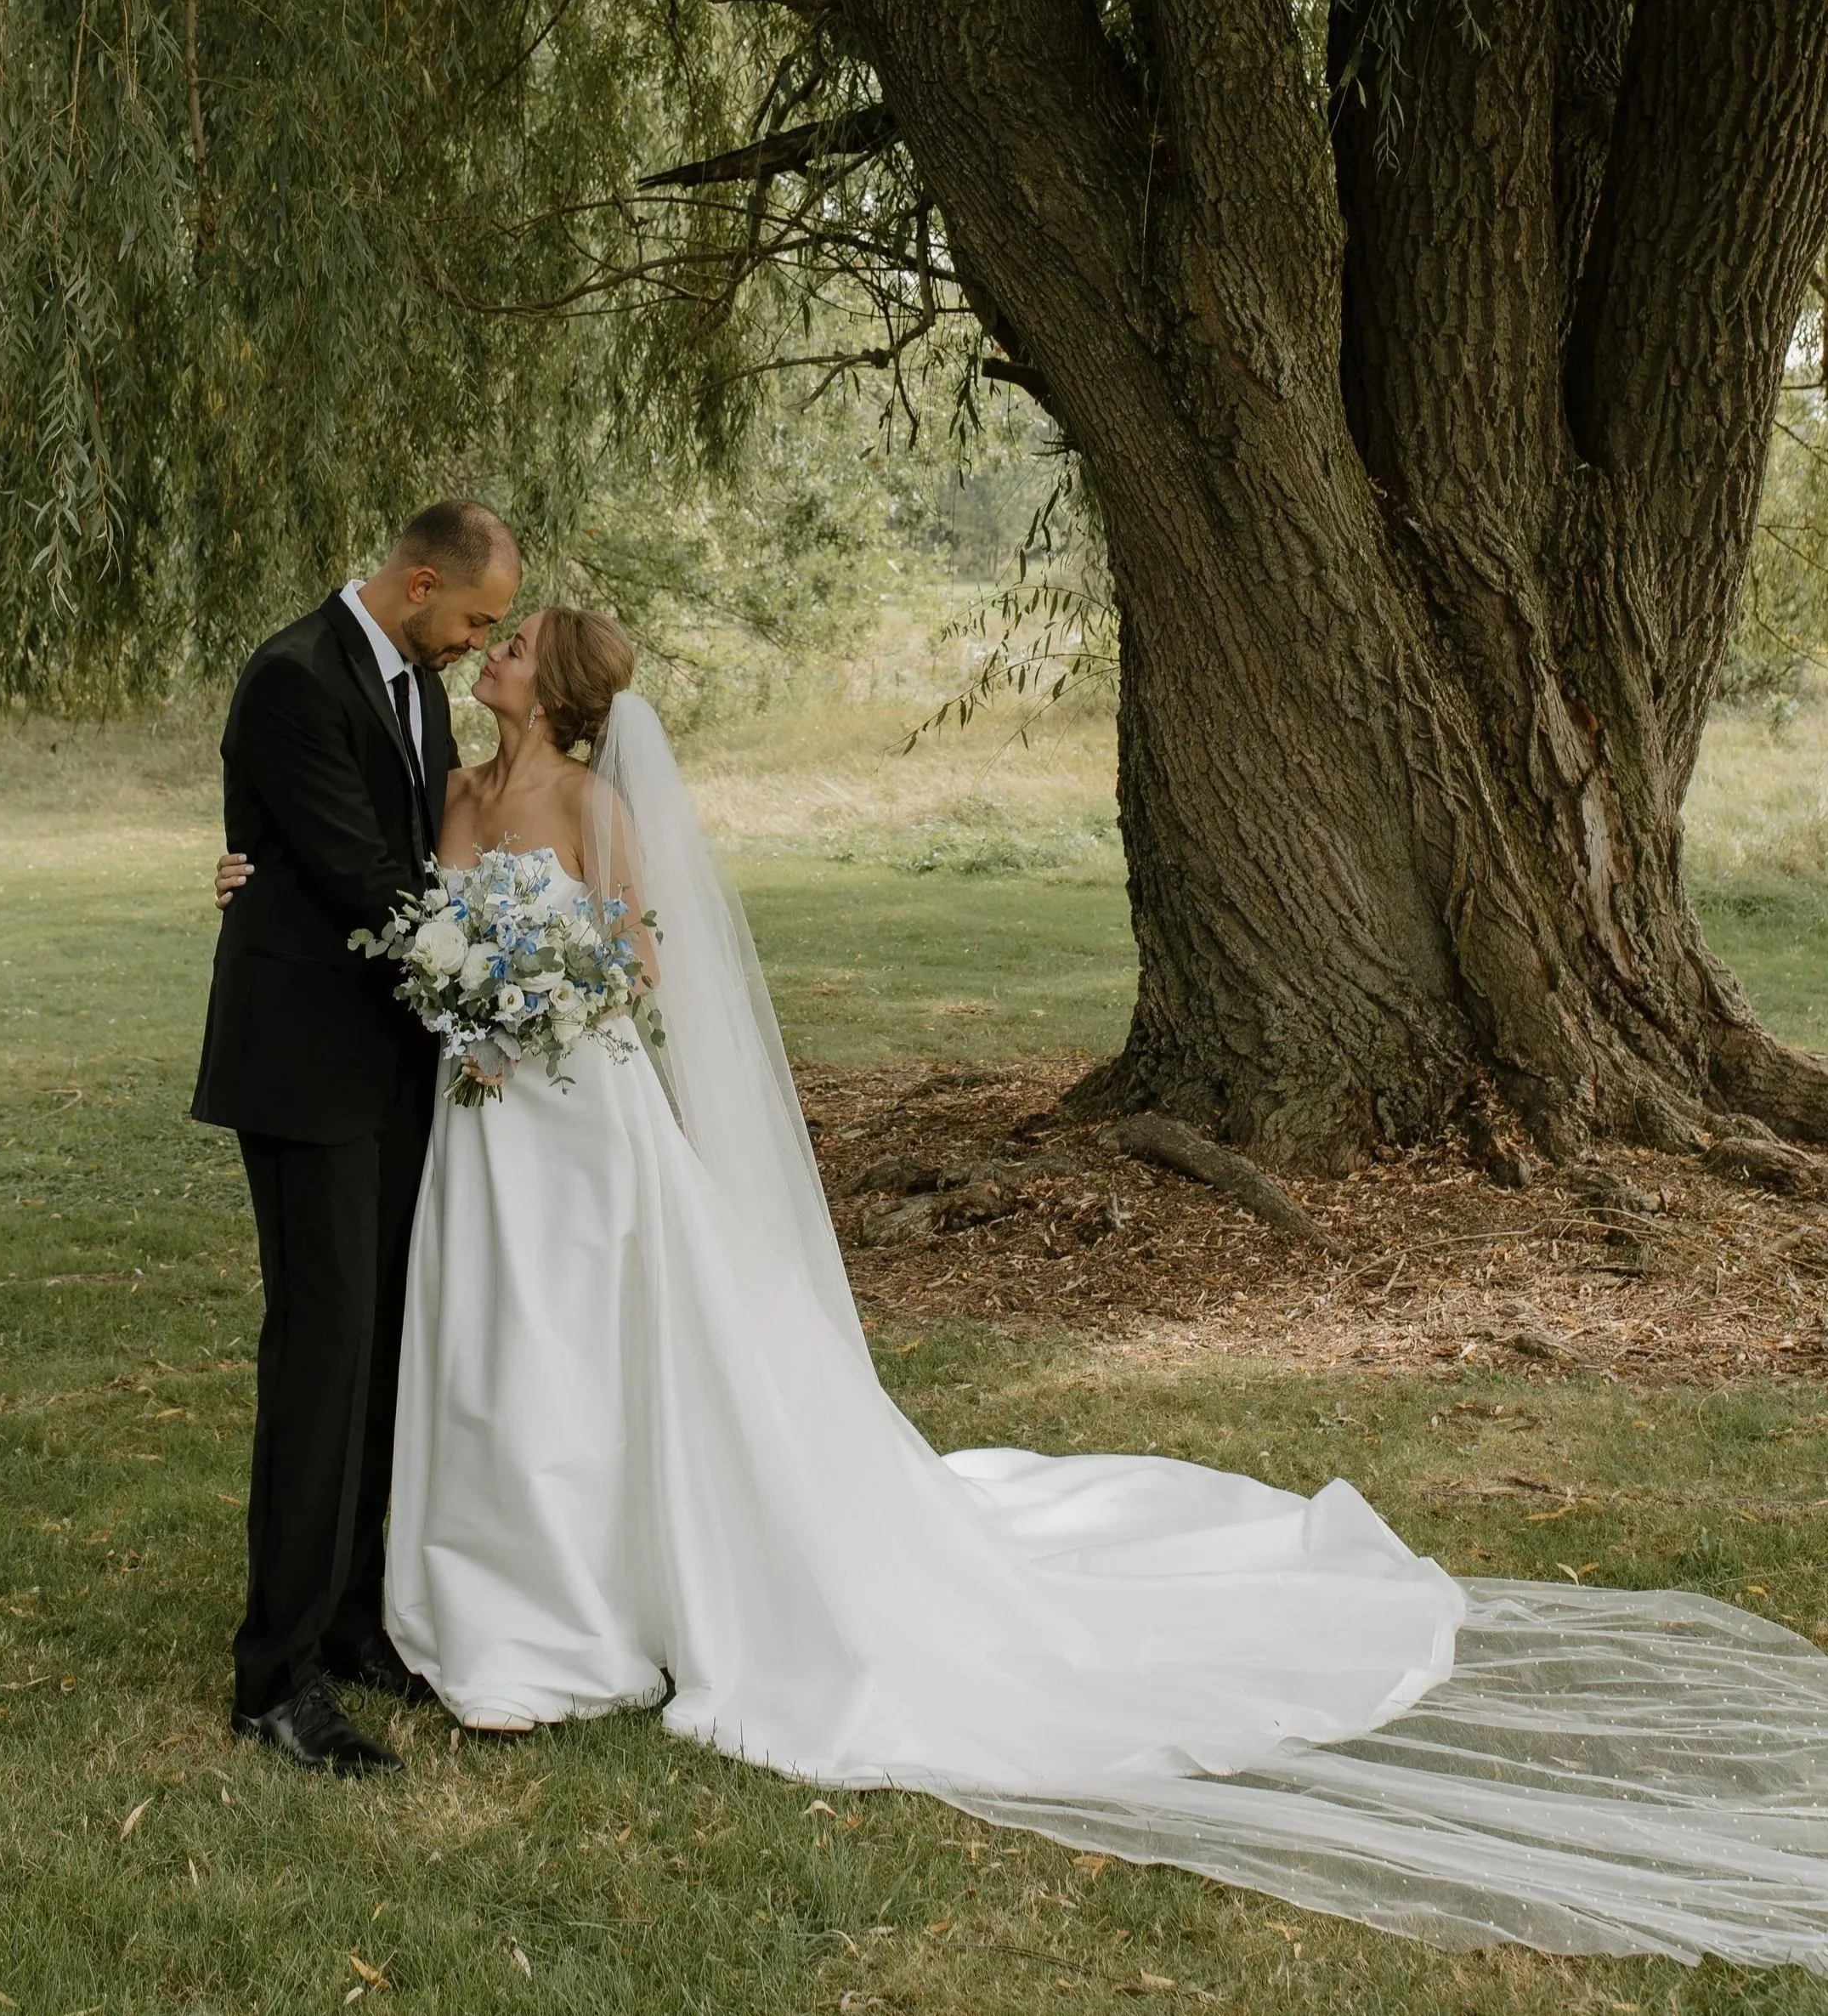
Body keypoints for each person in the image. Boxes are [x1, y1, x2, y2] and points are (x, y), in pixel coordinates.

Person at [214, 611, 1828, 1965]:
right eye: (479, 642)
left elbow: (635, 960)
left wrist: (548, 988)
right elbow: (410, 915)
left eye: (511, 653)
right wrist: (359, 933)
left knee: (590, 1351)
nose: (483, 662)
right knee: (490, 1353)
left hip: (582, 1115)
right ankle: (482, 1594)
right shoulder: (462, 783)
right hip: (493, 1125)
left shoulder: (589, 805)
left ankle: (590, 1608)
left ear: (554, 692)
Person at [194, 500, 520, 1773]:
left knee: (384, 1343)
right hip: (303, 1071)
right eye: (477, 621)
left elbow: (413, 852)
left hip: (390, 1065)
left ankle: (346, 1621)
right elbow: (360, 875)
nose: (477, 643)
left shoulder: (414, 683)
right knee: (321, 1356)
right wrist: (500, 980)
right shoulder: (291, 677)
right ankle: (272, 1677)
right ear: (421, 580)